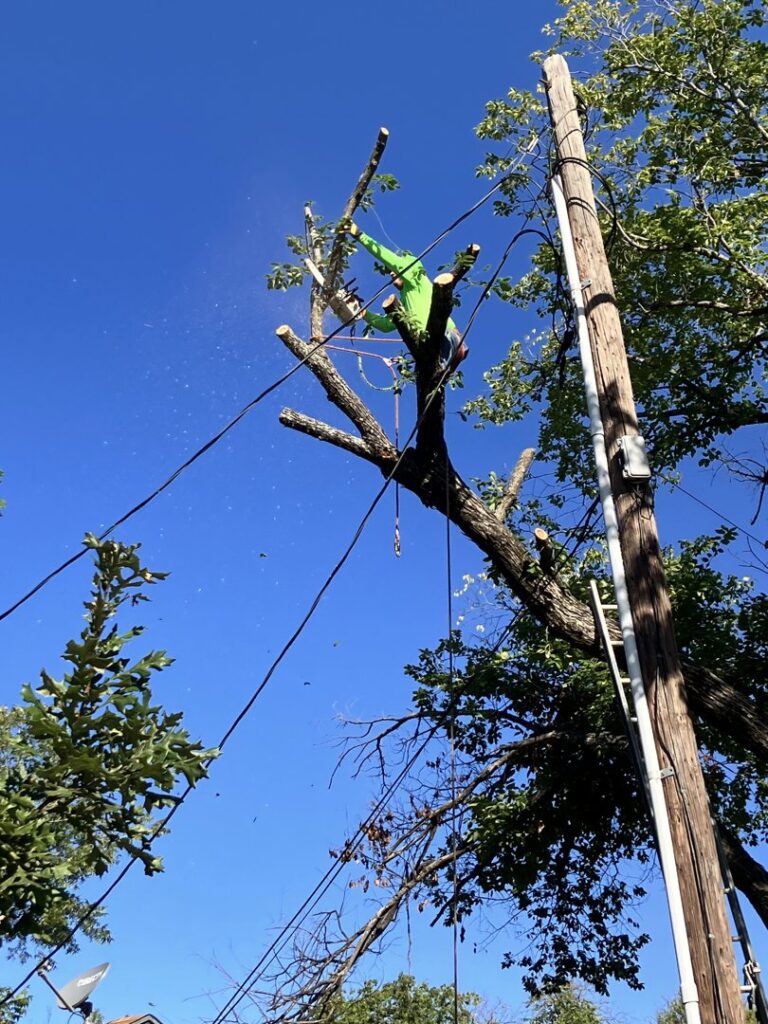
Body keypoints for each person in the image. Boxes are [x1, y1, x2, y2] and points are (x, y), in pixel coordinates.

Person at [347, 221, 468, 373]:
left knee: (435, 374)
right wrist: (361, 311)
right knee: (430, 378)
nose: (391, 273)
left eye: (395, 270)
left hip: (446, 336)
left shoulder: (416, 280)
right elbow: (386, 325)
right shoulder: (404, 303)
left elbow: (390, 259)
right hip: (429, 347)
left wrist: (359, 235)